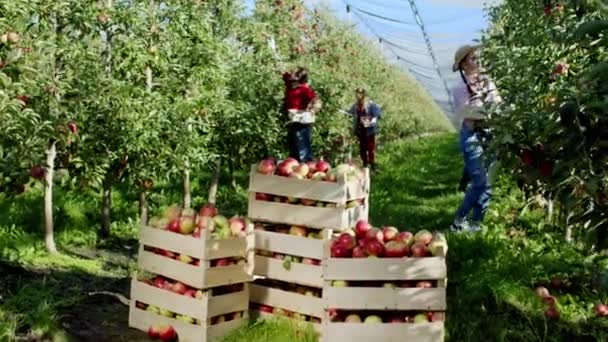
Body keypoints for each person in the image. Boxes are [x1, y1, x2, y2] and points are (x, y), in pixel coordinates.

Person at [450, 44, 501, 232]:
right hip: (471, 136)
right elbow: (469, 113)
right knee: (480, 181)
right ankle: (458, 220)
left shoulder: (487, 82)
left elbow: (498, 103)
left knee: (489, 182)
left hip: (490, 135)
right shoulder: (459, 87)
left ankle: (476, 223)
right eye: (472, 58)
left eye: (478, 57)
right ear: (463, 65)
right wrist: (489, 110)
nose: (477, 60)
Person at [282, 67, 322, 162]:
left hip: (301, 121)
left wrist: (312, 110)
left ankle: (305, 166)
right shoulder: (290, 85)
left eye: (294, 73)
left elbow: (317, 101)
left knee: (302, 147)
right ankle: (294, 168)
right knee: (293, 146)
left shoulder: (304, 90)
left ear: (298, 77)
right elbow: (283, 71)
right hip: (292, 120)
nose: (291, 74)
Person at [348, 88, 382, 171]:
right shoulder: (356, 105)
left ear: (364, 94)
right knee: (362, 148)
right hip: (361, 129)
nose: (358, 95)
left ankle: (372, 164)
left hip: (370, 129)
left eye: (360, 93)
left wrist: (371, 122)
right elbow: (350, 112)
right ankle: (365, 164)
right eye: (357, 93)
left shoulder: (371, 104)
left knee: (370, 148)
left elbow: (376, 115)